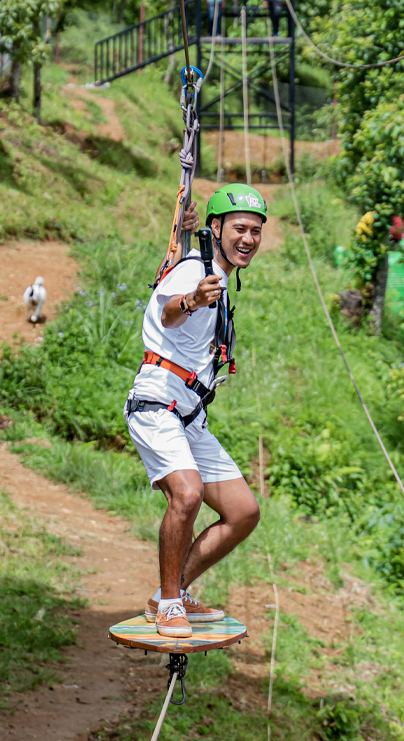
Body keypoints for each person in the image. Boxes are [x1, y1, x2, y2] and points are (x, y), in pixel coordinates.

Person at [125, 184, 268, 638]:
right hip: (158, 403)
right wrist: (191, 300)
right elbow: (168, 310)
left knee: (243, 511)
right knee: (186, 495)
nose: (248, 239)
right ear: (217, 229)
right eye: (240, 229)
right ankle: (168, 604)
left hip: (189, 414)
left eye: (256, 232)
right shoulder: (194, 271)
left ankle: (174, 589)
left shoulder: (217, 275)